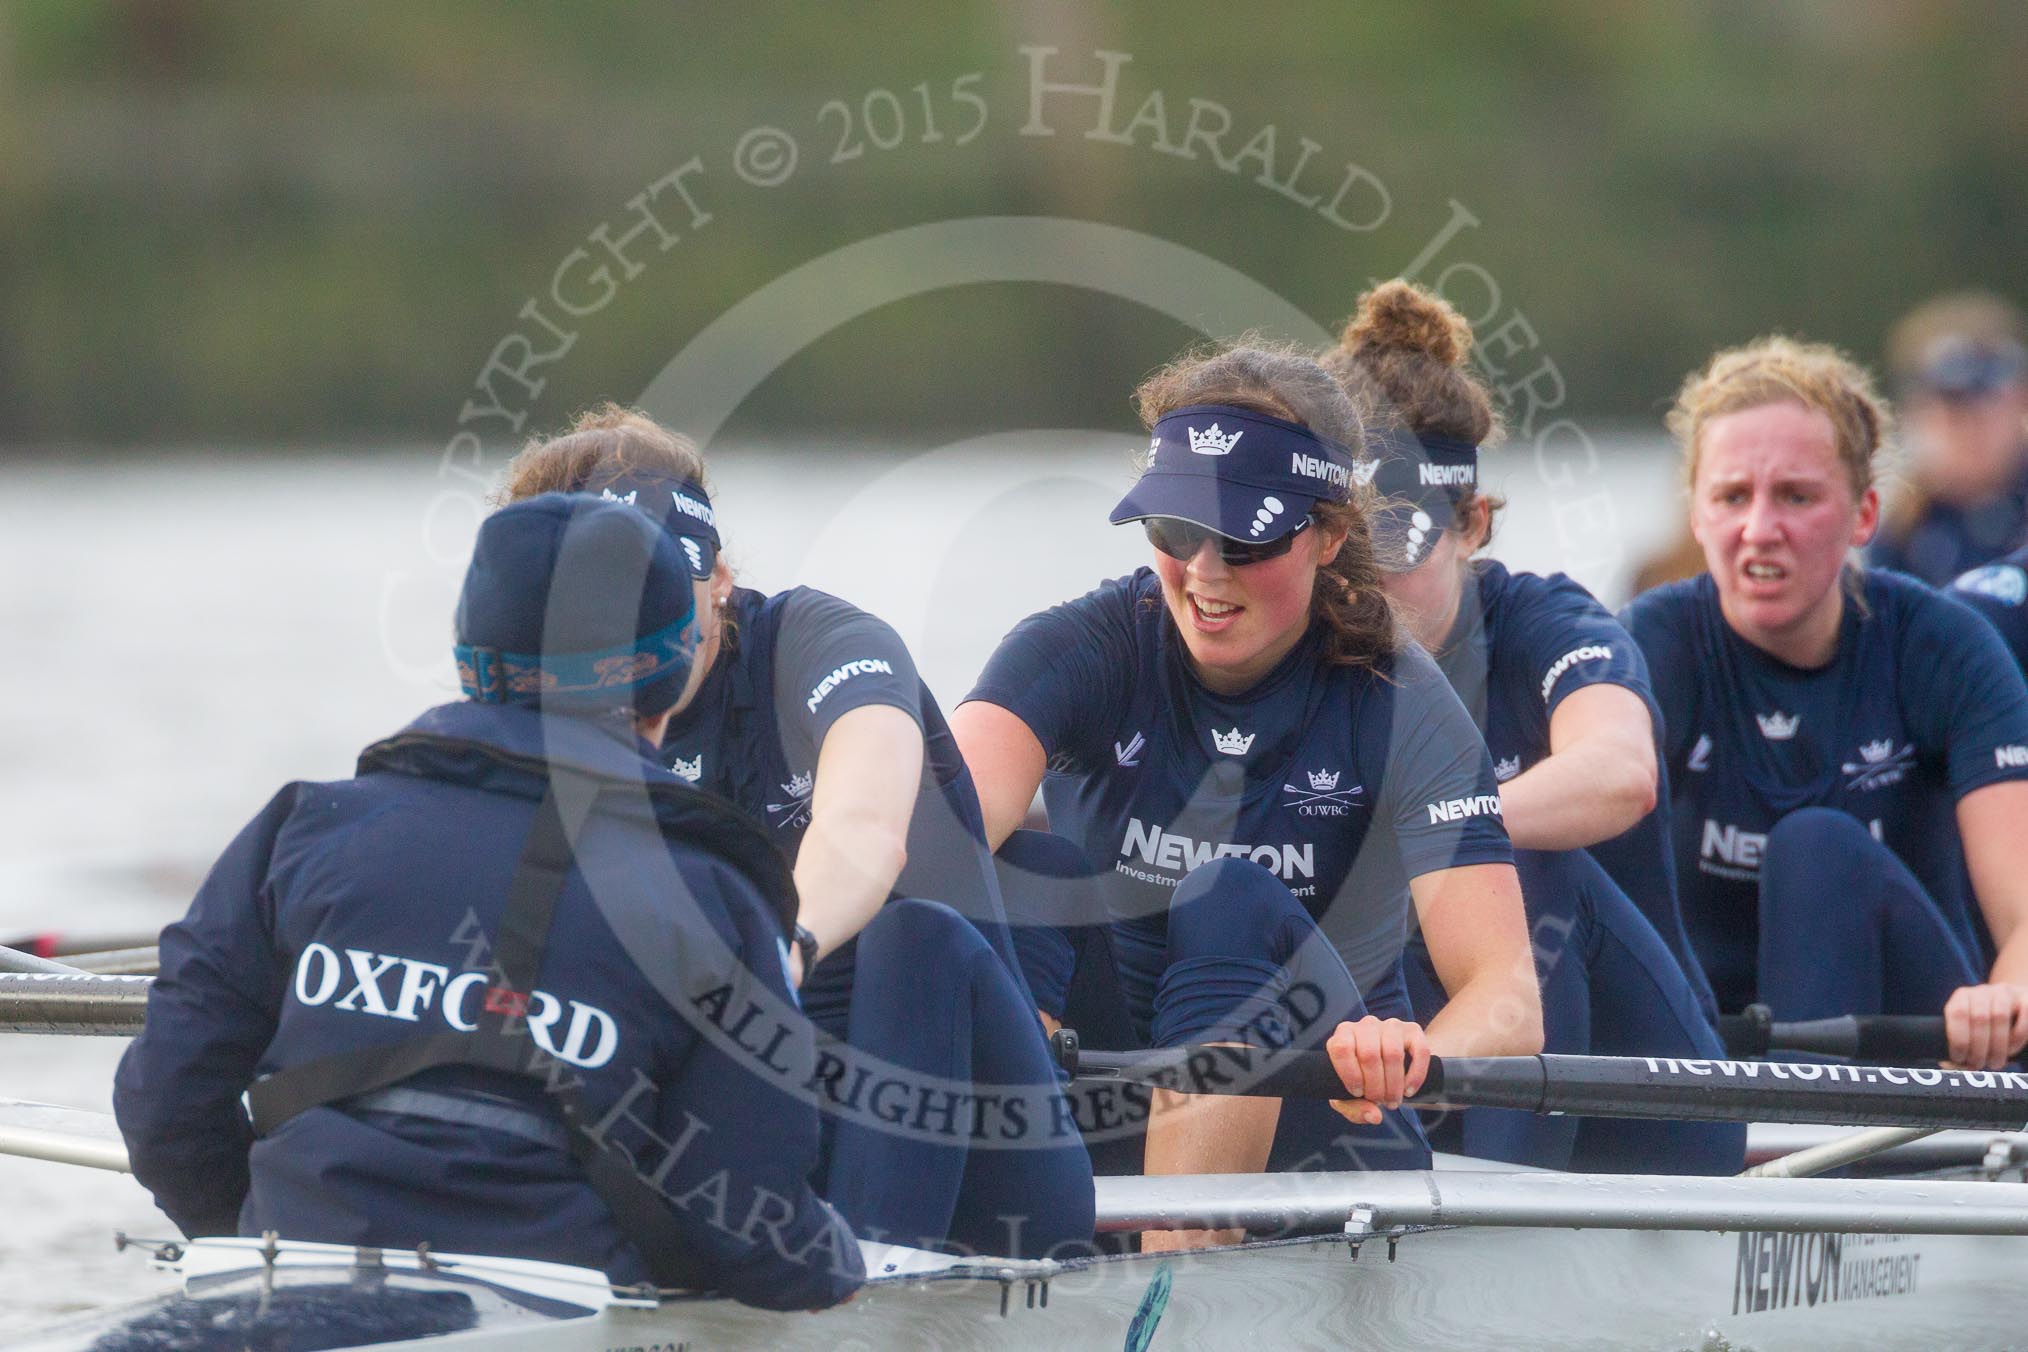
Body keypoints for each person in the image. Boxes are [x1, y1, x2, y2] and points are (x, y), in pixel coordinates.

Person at [114, 494, 861, 1309]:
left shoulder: (303, 832)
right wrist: (849, 1273)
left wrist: (260, 1236)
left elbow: (163, 1108)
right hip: (557, 1301)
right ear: (672, 671)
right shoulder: (715, 897)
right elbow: (757, 1238)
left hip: (285, 1287)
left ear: (469, 656)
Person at [953, 342, 1543, 1250]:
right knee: (1016, 867)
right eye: (1176, 532)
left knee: (1229, 892)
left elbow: (1505, 994)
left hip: (1330, 1128)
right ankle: (991, 1253)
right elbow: (929, 843)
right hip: (1114, 1109)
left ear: (1329, 535)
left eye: (1248, 536)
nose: (1206, 572)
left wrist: (1412, 1052)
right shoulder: (1077, 649)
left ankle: (1168, 1296)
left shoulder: (1397, 696)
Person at [497, 406, 1093, 1260]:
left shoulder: (818, 644)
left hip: (982, 1140)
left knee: (912, 935)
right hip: (764, 1147)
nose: (658, 619)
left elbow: (864, 827)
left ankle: (853, 1294)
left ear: (721, 579)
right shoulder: (543, 726)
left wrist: (785, 954)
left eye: (673, 584)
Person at [1319, 281, 1738, 1172]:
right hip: (1437, 1081)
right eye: (1345, 542)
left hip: (1651, 1109)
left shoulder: (1543, 623)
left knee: (1512, 858)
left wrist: (1443, 833)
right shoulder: (1301, 659)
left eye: (1396, 547)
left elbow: (1620, 770)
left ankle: (1499, 1217)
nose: (1366, 582)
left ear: (1470, 524)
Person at [1622, 336, 2028, 1069]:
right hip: (1704, 1059)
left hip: (1918, 1049)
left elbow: (2022, 913)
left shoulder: (1945, 647)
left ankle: (1807, 1144)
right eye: (1732, 497)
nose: (1759, 529)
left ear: (1865, 516)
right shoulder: (1650, 646)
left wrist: (2010, 991)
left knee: (1815, 846)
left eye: (1797, 496)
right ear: (1698, 517)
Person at [1868, 292, 2028, 585]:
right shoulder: (1895, 527)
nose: (1972, 432)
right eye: (1954, 414)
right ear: (1914, 415)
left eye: (1989, 410)